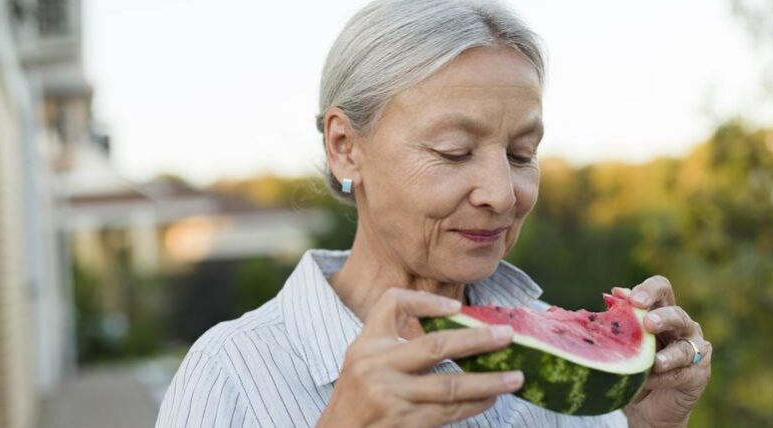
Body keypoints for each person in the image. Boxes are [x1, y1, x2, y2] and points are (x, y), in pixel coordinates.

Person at [155, 0, 712, 426]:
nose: (501, 192)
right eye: (453, 151)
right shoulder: (229, 374)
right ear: (345, 146)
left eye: (521, 154)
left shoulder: (569, 382)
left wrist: (646, 424)